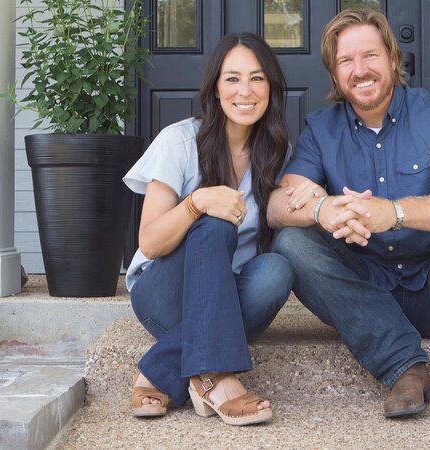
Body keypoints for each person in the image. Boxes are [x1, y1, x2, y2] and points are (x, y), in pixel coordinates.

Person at [267, 9, 430, 449]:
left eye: (369, 55)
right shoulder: (321, 129)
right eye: (346, 61)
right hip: (368, 292)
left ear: (391, 58)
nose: (360, 70)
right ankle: (404, 367)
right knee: (292, 242)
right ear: (334, 71)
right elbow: (276, 206)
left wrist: (394, 213)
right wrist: (322, 207)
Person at [124, 32, 293, 426]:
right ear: (215, 88)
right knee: (216, 222)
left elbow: (291, 208)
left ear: (271, 87)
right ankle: (216, 378)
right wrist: (196, 203)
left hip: (227, 299)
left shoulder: (276, 153)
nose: (245, 91)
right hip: (164, 293)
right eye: (232, 78)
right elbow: (149, 242)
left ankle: (157, 372)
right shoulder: (179, 141)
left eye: (257, 78)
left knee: (278, 270)